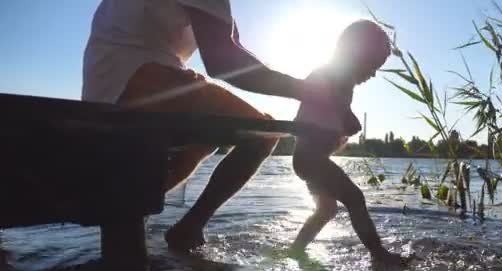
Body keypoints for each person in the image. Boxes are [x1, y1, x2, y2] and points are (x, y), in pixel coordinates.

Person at [83, 0, 329, 251]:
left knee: (207, 139)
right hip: (138, 75)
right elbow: (224, 63)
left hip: (114, 79)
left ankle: (129, 215)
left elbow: (233, 47)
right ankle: (183, 227)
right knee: (262, 133)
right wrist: (310, 93)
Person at [291, 20, 406, 264]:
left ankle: (296, 250)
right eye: (372, 66)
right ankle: (379, 254)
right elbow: (331, 109)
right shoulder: (333, 76)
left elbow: (331, 110)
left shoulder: (338, 78)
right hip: (311, 159)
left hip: (309, 159)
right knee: (355, 199)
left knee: (327, 209)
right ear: (355, 54)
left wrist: (343, 120)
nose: (373, 73)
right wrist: (349, 120)